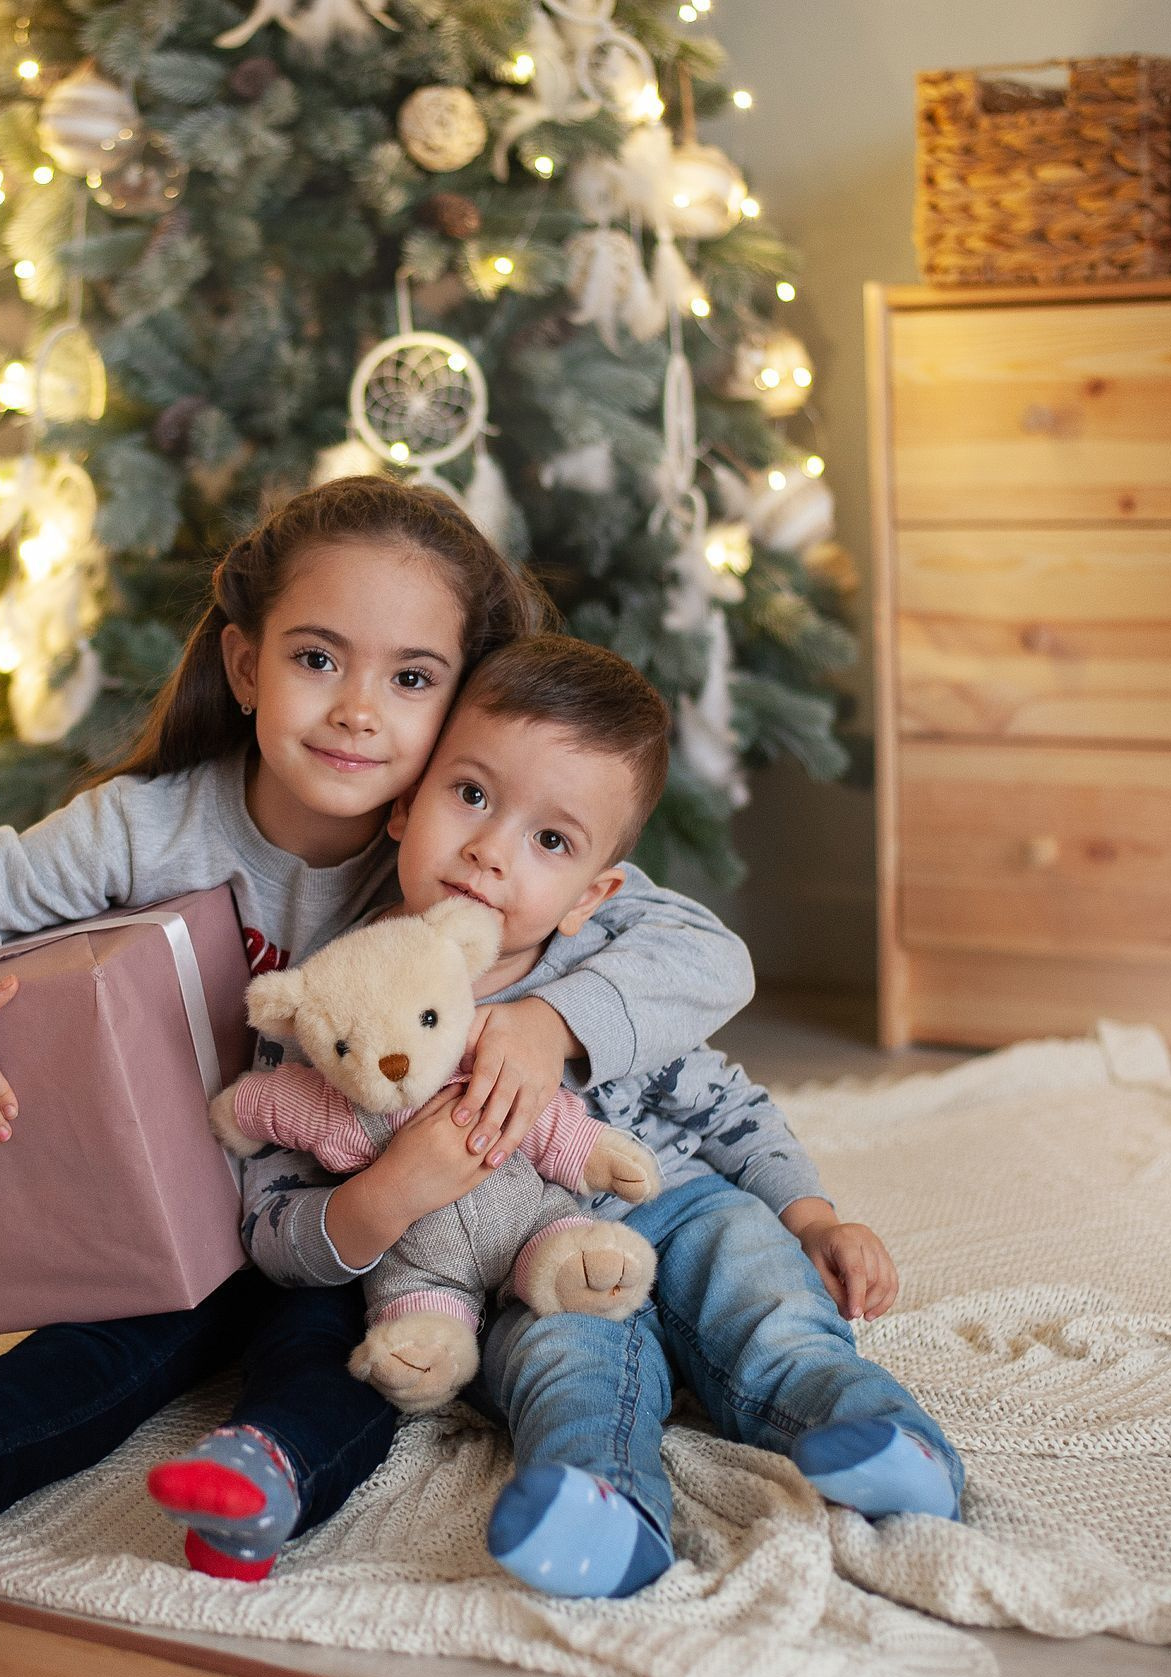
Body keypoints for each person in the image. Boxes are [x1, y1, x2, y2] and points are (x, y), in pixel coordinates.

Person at [0, 480, 756, 1581]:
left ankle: (262, 1483)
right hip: (187, 1201)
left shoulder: (464, 852)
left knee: (334, 1349)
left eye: (408, 679)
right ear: (247, 665)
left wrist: (545, 1021)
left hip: (365, 1215)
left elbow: (701, 950)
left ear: (455, 707)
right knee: (118, 1336)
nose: (357, 709)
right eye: (316, 659)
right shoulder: (151, 828)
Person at [360, 633, 964, 1598]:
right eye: (469, 795)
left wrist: (812, 1217)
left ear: (592, 895)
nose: (488, 849)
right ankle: (600, 1507)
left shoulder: (614, 977)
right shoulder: (366, 994)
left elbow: (727, 1104)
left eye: (549, 841)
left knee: (759, 1278)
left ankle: (874, 1432)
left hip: (675, 1193)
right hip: (529, 1258)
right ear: (405, 803)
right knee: (567, 1365)